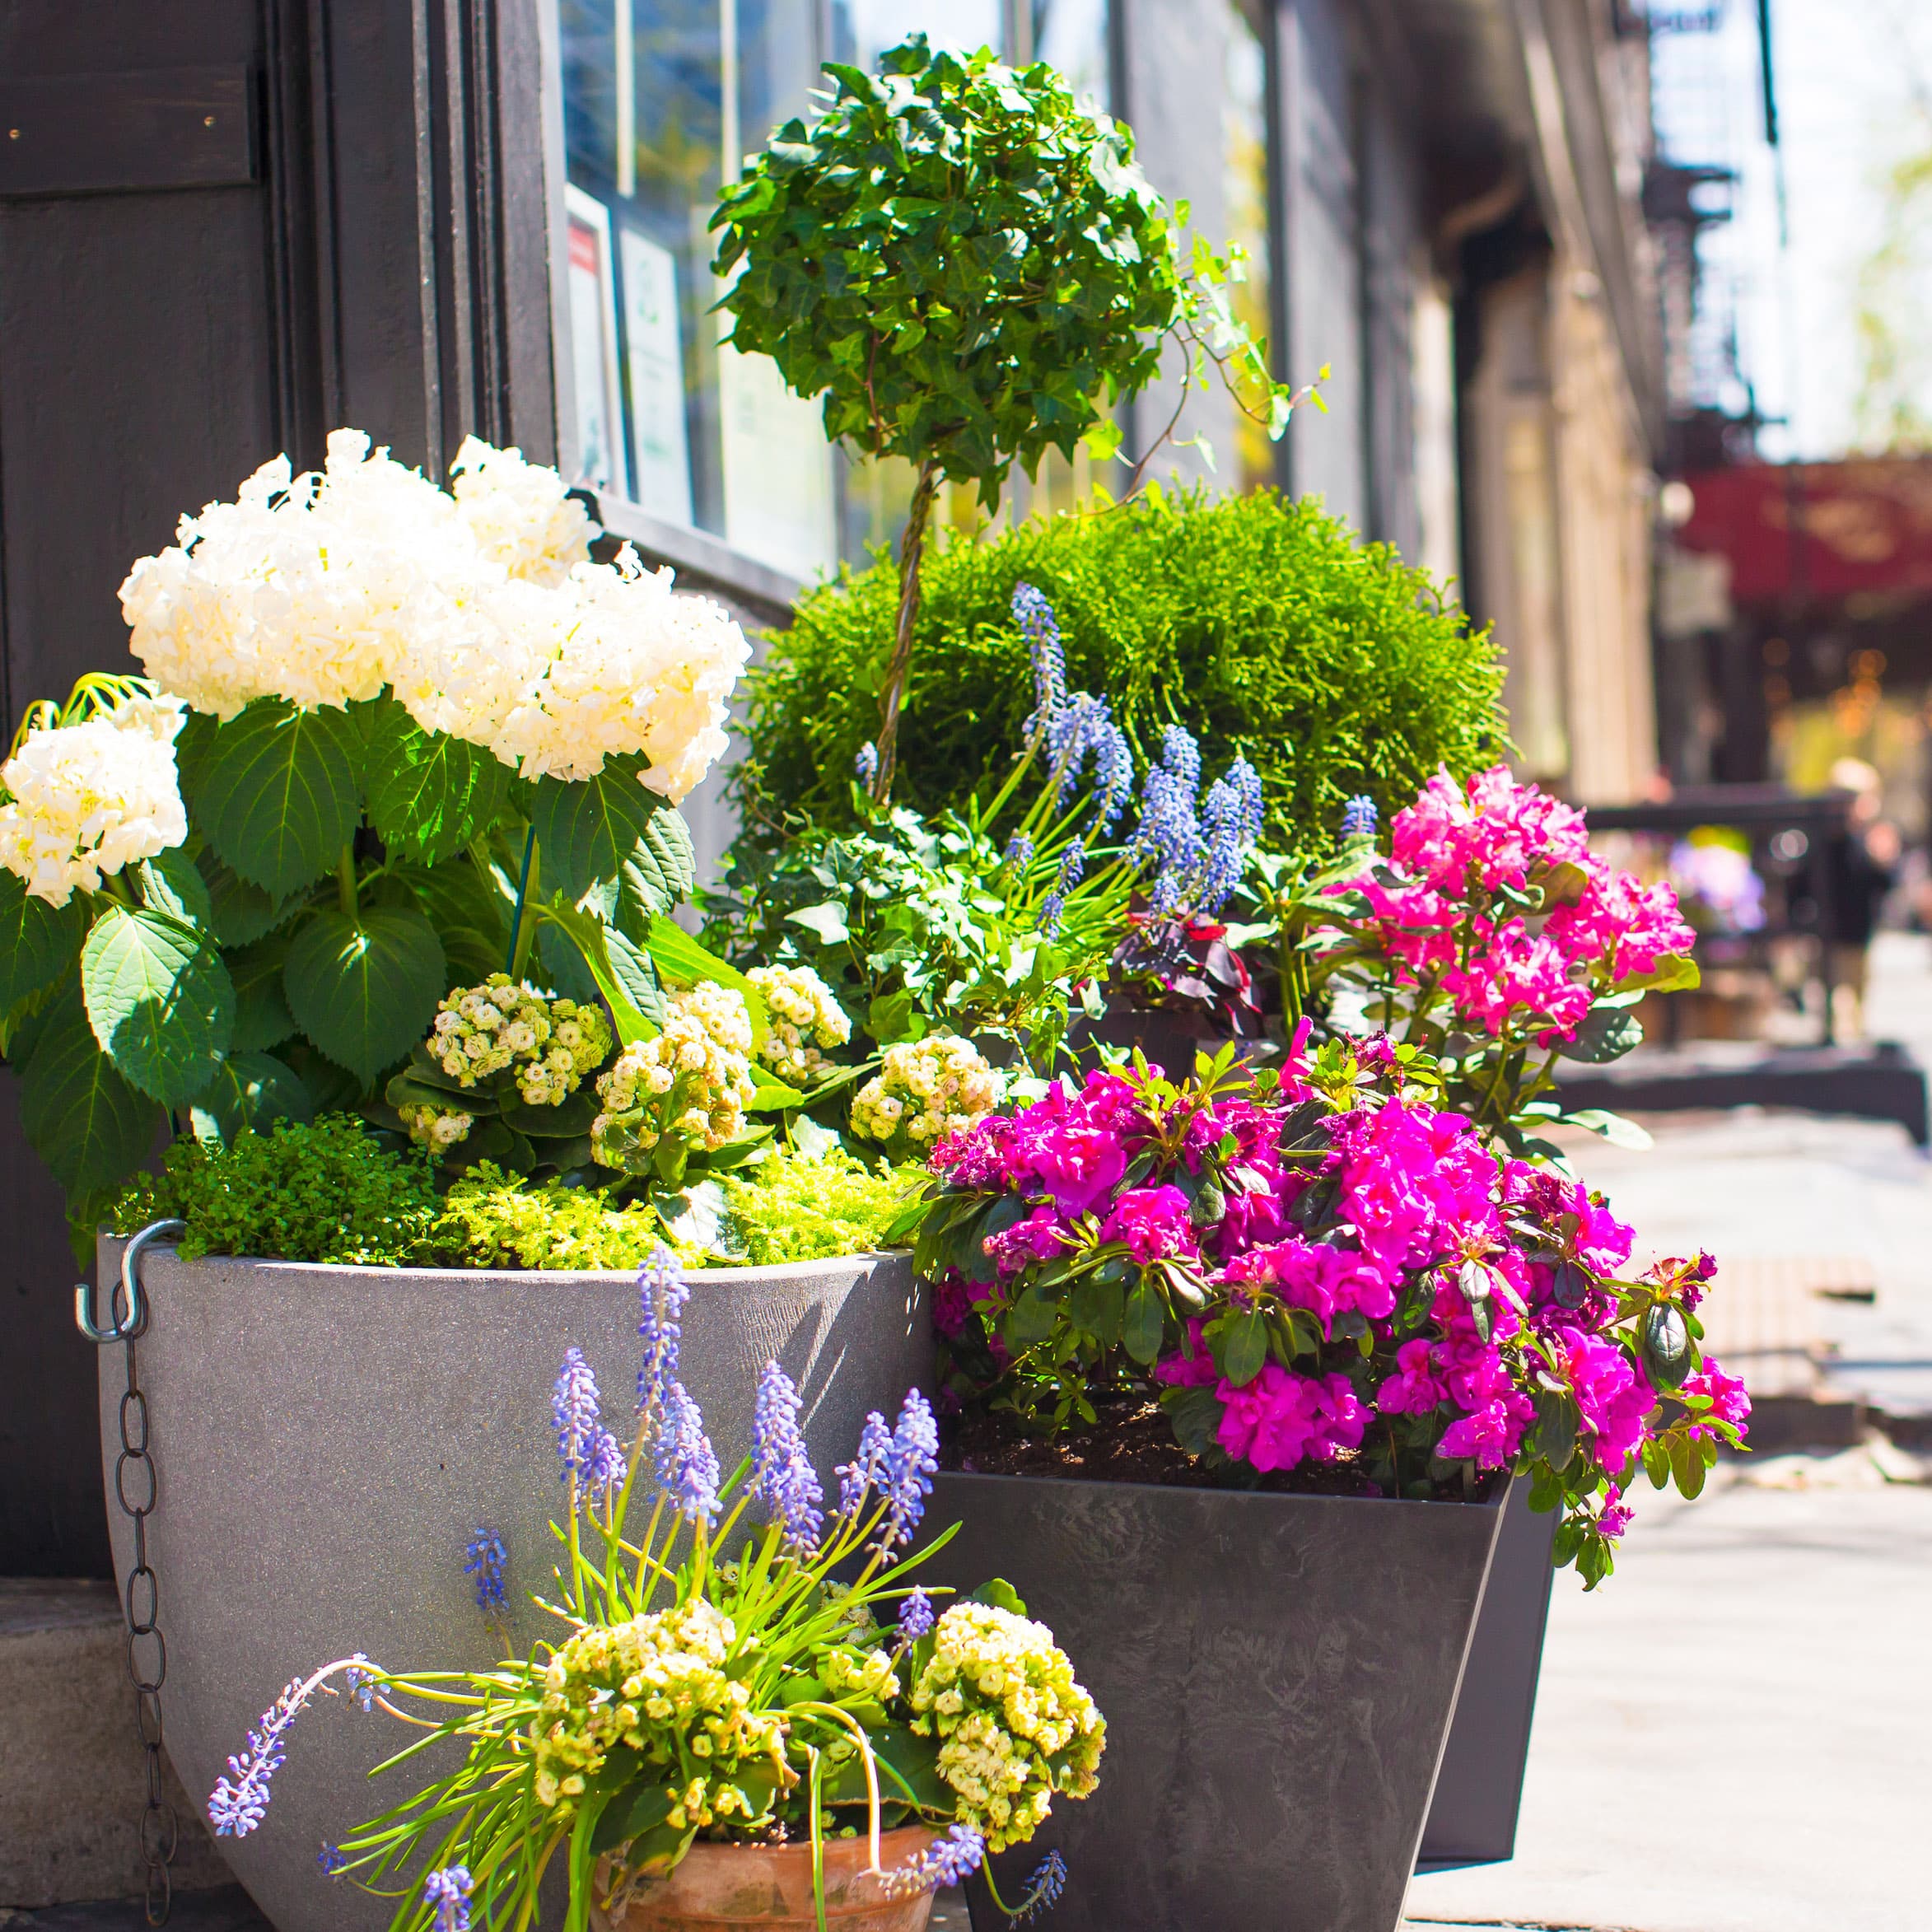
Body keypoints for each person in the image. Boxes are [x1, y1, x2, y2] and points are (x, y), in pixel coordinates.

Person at [1822, 758, 1899, 1039]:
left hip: (1860, 933)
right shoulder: (1826, 840)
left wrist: (1883, 860)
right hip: (1831, 934)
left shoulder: (1868, 840)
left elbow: (1884, 885)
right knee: (1838, 1001)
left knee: (1859, 994)